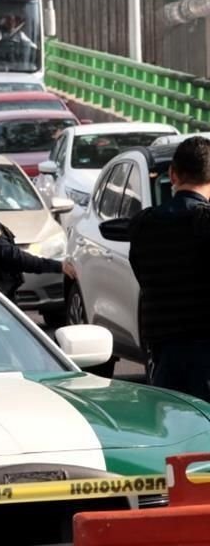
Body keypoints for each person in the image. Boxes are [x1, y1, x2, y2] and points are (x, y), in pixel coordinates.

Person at [128, 136, 210, 399]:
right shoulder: (204, 221)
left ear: (172, 174)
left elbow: (142, 275)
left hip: (163, 355)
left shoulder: (144, 224)